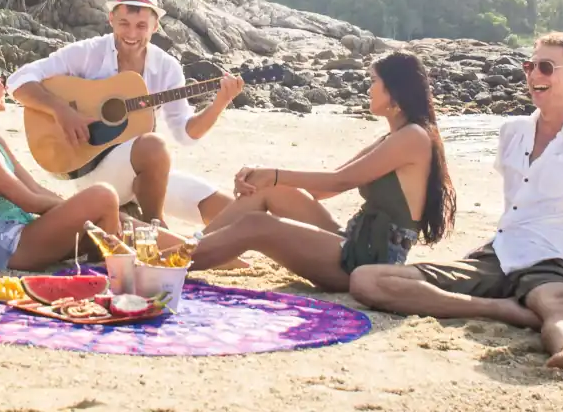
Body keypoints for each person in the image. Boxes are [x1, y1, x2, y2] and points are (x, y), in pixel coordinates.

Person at [348, 32, 563, 377]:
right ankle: (504, 310)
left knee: (561, 307)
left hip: (556, 264)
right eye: (529, 66)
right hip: (499, 256)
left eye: (545, 67)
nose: (534, 75)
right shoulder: (512, 132)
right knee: (366, 280)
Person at [185, 51, 457, 292]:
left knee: (257, 226)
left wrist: (276, 173)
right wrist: (264, 177)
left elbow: (342, 181)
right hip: (355, 241)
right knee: (270, 191)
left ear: (394, 90)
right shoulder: (396, 136)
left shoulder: (414, 137)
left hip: (369, 262)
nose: (368, 89)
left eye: (374, 81)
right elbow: (324, 187)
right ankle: (190, 247)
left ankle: (171, 264)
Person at [5, 0, 243, 228]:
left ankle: (138, 214)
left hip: (143, 173)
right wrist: (61, 111)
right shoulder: (87, 52)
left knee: (225, 207)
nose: (131, 34)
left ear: (155, 26)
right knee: (153, 145)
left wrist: (220, 102)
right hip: (89, 170)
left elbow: (184, 134)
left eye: (141, 26)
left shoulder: (167, 67)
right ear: (111, 19)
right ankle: (155, 227)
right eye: (124, 24)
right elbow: (17, 81)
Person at [0, 52, 125, 271]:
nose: (4, 85)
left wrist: (79, 210)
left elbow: (34, 188)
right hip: (5, 244)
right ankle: (106, 273)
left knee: (119, 218)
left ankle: (164, 254)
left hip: (24, 231)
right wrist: (80, 209)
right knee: (103, 196)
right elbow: (28, 201)